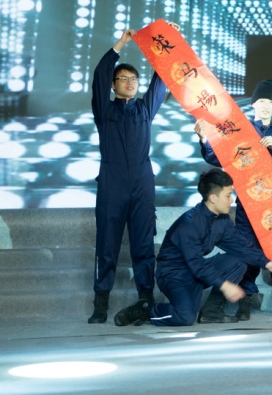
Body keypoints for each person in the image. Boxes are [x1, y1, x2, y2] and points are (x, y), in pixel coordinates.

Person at [113, 168, 272, 326]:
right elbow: (195, 263)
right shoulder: (189, 224)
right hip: (173, 275)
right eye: (228, 195)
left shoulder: (222, 221)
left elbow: (241, 246)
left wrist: (267, 263)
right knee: (185, 317)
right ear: (213, 198)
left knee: (238, 261)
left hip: (196, 272)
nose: (232, 200)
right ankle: (147, 311)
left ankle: (211, 312)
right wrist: (224, 285)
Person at [195, 78, 272, 317]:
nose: (265, 106)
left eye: (270, 102)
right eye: (261, 101)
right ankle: (245, 300)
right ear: (253, 104)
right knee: (248, 248)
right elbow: (216, 156)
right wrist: (204, 139)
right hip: (249, 200)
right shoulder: (239, 129)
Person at [88, 27, 168, 324]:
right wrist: (120, 44)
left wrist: (166, 43)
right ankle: (101, 302)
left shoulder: (144, 109)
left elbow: (161, 79)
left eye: (134, 78)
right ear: (113, 85)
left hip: (142, 182)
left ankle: (146, 298)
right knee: (107, 244)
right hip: (112, 182)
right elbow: (99, 75)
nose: (130, 82)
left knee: (143, 244)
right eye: (123, 78)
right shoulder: (104, 110)